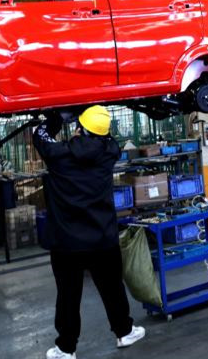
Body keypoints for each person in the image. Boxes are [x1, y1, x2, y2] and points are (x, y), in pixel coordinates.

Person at [33, 105, 145, 359]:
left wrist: (56, 118)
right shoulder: (110, 152)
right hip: (102, 239)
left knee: (68, 296)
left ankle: (66, 348)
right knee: (112, 288)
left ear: (78, 128)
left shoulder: (58, 155)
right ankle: (124, 332)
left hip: (67, 243)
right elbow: (109, 139)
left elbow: (41, 136)